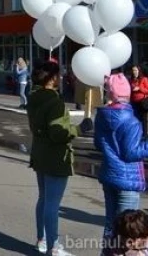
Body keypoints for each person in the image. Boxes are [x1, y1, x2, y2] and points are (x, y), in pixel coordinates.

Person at [28, 60, 89, 255]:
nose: (61, 78)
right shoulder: (53, 101)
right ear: (52, 78)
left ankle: (42, 239)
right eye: (59, 75)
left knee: (44, 199)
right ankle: (53, 245)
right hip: (55, 157)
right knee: (52, 204)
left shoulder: (34, 97)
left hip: (40, 154)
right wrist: (80, 128)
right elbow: (58, 133)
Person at [95, 70, 148, 244]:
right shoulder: (131, 121)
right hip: (127, 178)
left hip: (109, 174)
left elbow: (97, 144)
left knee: (111, 224)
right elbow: (130, 153)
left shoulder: (102, 116)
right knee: (128, 229)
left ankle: (107, 253)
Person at [129, 65, 148, 137]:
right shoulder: (131, 80)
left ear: (139, 71)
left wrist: (140, 88)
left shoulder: (144, 79)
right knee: (135, 119)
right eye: (133, 70)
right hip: (134, 102)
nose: (134, 72)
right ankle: (137, 134)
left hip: (142, 102)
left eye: (136, 70)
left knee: (143, 119)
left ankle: (145, 135)